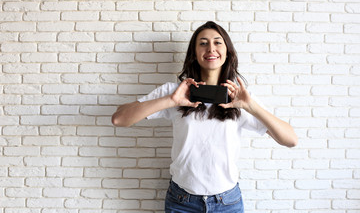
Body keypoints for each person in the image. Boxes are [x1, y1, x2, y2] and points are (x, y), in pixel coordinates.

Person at [112, 21, 298, 213]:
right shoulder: (174, 92)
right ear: (194, 53)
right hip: (182, 202)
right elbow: (119, 119)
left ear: (227, 53)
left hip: (227, 203)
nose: (211, 48)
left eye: (218, 42)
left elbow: (291, 140)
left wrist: (250, 106)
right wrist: (171, 100)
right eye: (203, 43)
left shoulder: (240, 97)